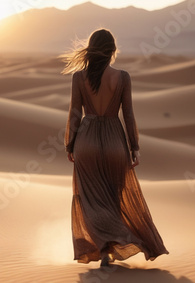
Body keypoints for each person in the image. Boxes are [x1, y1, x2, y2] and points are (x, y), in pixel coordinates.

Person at [61, 28, 169, 267]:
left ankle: (104, 250)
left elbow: (75, 113)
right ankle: (119, 241)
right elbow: (128, 114)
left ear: (91, 49)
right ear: (112, 51)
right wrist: (134, 147)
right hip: (114, 142)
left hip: (86, 142)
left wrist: (70, 144)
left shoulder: (79, 78)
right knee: (113, 197)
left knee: (91, 200)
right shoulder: (122, 77)